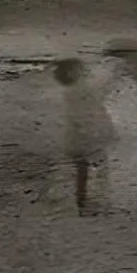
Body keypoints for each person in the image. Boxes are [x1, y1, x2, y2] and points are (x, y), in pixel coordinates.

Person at [53, 58, 116, 215]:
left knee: (83, 170)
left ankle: (83, 201)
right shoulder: (77, 91)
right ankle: (91, 200)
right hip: (85, 137)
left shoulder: (74, 90)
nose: (83, 71)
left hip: (80, 136)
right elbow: (97, 96)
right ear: (71, 73)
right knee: (96, 167)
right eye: (78, 69)